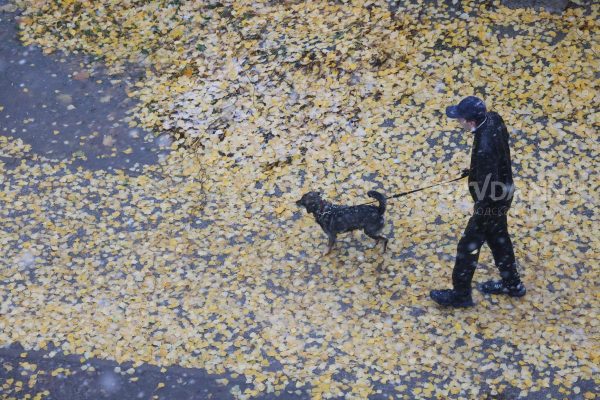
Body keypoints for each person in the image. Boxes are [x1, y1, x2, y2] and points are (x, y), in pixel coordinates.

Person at [430, 96, 526, 308]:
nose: (458, 122)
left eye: (460, 119)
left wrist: (481, 211)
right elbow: (498, 156)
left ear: (470, 121)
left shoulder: (484, 146)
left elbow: (488, 173)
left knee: (467, 247)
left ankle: (460, 294)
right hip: (504, 192)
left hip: (490, 203)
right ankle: (513, 285)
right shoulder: (493, 119)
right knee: (499, 239)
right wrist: (475, 172)